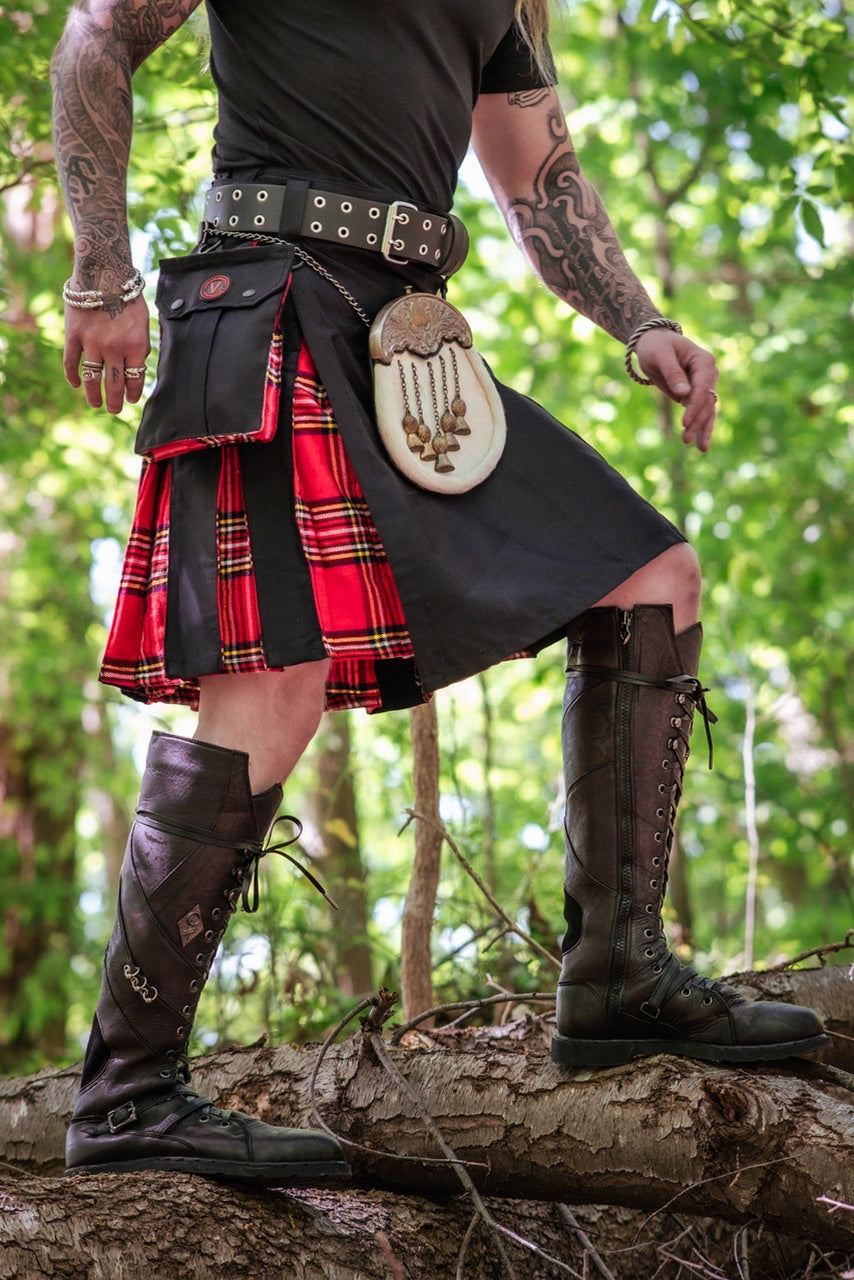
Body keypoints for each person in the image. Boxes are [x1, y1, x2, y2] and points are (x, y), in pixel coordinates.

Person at [51, 0, 828, 1185]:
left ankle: (616, 976)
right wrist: (96, 271)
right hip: (265, 298)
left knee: (650, 578)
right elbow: (95, 37)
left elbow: (536, 173)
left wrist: (641, 321)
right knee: (271, 684)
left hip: (411, 347)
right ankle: (127, 1090)